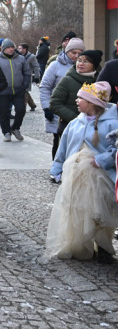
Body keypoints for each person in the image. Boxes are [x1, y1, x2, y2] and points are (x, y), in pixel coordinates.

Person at [46, 82, 118, 261]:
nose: (76, 101)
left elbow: (115, 149)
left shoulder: (112, 123)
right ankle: (77, 244)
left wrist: (102, 160)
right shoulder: (75, 123)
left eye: (81, 98)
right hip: (75, 175)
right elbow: (63, 148)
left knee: (100, 212)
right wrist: (56, 168)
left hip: (101, 176)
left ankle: (103, 247)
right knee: (75, 209)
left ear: (92, 103)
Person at [50, 49, 103, 146]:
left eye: (85, 61)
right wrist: (77, 119)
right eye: (79, 60)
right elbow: (55, 103)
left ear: (94, 65)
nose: (80, 64)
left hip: (95, 127)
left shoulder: (100, 82)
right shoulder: (67, 80)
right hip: (70, 126)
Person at [41, 38, 83, 158]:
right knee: (59, 140)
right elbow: (45, 87)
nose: (76, 56)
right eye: (73, 53)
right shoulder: (55, 65)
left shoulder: (86, 67)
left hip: (80, 111)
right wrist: (46, 107)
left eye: (80, 53)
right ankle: (57, 168)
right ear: (67, 51)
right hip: (58, 110)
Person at [0, 39, 30, 142]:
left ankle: (15, 128)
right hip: (3, 91)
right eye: (8, 47)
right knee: (4, 113)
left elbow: (27, 72)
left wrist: (25, 84)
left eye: (12, 47)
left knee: (21, 110)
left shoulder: (21, 59)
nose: (11, 49)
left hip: (18, 90)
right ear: (3, 49)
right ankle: (6, 132)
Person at [17, 43, 40, 111]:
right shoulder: (18, 56)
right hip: (19, 77)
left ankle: (23, 108)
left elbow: (36, 67)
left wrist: (36, 77)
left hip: (27, 77)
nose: (18, 49)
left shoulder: (31, 57)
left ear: (25, 49)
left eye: (20, 48)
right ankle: (32, 105)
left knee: (25, 92)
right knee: (25, 91)